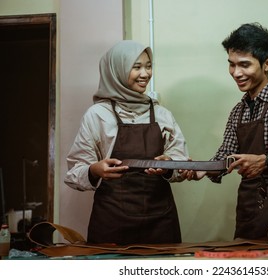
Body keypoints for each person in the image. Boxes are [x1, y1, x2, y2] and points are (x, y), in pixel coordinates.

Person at [183, 23, 268, 240]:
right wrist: (199, 170)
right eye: (231, 65)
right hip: (247, 207)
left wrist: (267, 162)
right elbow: (224, 157)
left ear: (267, 63)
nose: (236, 73)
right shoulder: (238, 111)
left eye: (244, 65)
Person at [64, 40, 189, 245]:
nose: (145, 74)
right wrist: (95, 170)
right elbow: (74, 172)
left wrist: (169, 166)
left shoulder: (162, 114)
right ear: (117, 70)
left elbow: (183, 164)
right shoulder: (98, 115)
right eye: (136, 67)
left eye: (148, 66)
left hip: (160, 221)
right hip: (112, 221)